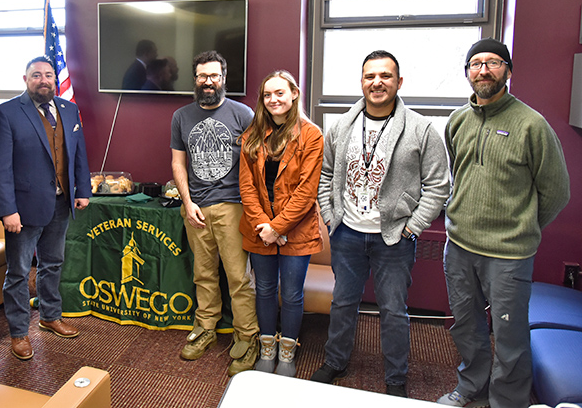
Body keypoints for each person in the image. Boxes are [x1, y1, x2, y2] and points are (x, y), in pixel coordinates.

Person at [438, 38, 570, 408]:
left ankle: (508, 401)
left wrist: (521, 225)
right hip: (459, 246)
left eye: (493, 62)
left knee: (510, 333)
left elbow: (557, 192)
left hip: (509, 254)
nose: (484, 70)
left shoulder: (531, 125)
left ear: (508, 71)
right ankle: (471, 385)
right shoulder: (458, 120)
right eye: (476, 63)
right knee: (466, 325)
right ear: (467, 74)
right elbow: (458, 172)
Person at [311, 50, 450, 397]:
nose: (377, 82)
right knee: (343, 303)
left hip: (395, 238)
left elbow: (438, 185)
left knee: (393, 310)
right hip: (347, 234)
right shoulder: (341, 126)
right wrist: (331, 217)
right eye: (370, 76)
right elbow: (325, 175)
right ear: (361, 82)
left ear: (398, 82)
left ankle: (396, 378)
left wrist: (414, 225)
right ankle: (336, 361)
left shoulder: (421, 129)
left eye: (385, 76)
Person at [0, 57, 92, 361]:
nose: (43, 80)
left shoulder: (69, 109)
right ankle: (19, 333)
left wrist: (82, 189)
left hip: (60, 203)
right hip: (23, 209)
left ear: (54, 80)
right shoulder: (7, 113)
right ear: (25, 79)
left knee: (53, 263)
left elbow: (78, 151)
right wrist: (7, 210)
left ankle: (50, 315)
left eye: (48, 75)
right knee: (19, 273)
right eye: (36, 75)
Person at [170, 50, 259, 376]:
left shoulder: (243, 114)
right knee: (203, 274)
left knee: (238, 277)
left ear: (224, 78)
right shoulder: (181, 116)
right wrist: (187, 201)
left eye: (214, 76)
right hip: (194, 208)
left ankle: (247, 336)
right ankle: (205, 327)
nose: (208, 82)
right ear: (195, 79)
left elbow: (257, 162)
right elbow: (178, 163)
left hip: (231, 206)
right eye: (202, 76)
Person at [238, 70, 324, 377]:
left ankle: (287, 353)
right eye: (267, 95)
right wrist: (265, 225)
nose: (273, 100)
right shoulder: (252, 135)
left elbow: (307, 191)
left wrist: (278, 228)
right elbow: (246, 188)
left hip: (296, 231)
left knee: (291, 294)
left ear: (294, 94)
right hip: (259, 230)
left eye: (280, 93)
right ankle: (267, 347)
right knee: (263, 290)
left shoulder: (311, 134)